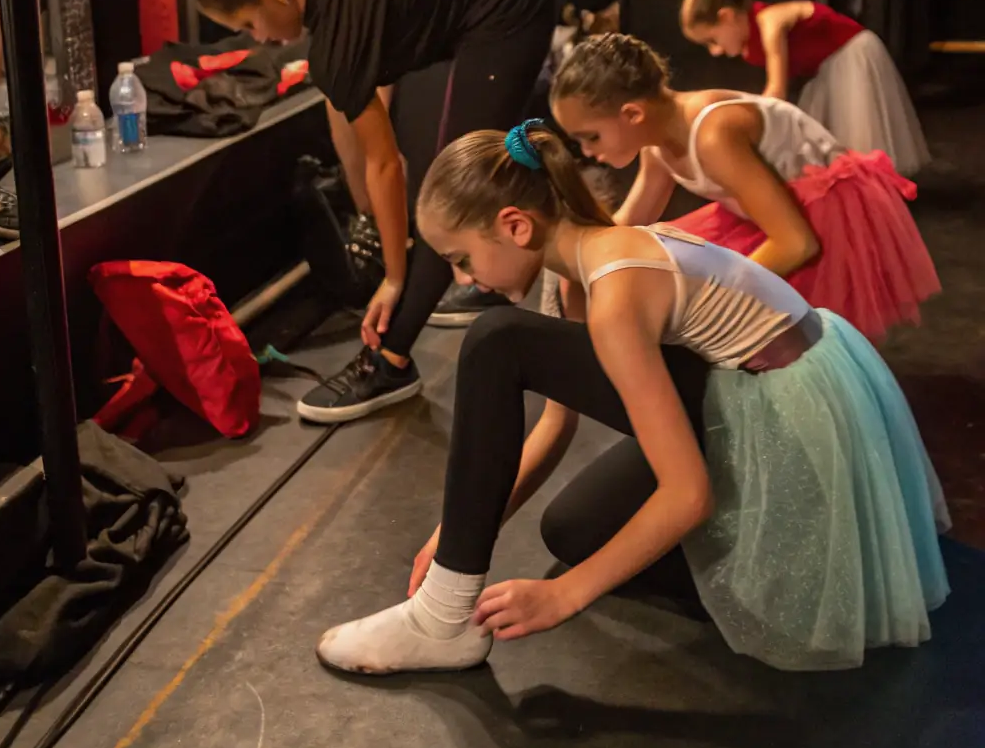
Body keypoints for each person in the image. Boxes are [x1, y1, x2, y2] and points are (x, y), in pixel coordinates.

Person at [316, 121, 949, 677]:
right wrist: (459, 530)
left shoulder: (617, 287)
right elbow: (554, 428)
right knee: (574, 530)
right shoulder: (574, 267)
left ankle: (441, 620)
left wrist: (564, 596)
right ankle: (768, 555)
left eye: (462, 258)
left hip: (786, 422)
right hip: (751, 397)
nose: (463, 277)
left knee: (494, 340)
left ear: (514, 224)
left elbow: (688, 492)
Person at [193, 0, 557, 422]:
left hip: (507, 9)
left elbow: (385, 164)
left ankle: (389, 359)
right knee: (442, 172)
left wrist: (391, 275)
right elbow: (370, 132)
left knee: (447, 190)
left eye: (251, 23)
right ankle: (483, 275)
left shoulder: (338, 27)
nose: (260, 39)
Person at [549, 34, 939, 342]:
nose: (587, 153)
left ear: (632, 114)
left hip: (821, 217)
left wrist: (711, 299)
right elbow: (626, 229)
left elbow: (796, 243)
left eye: (591, 138)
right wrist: (573, 253)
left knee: (721, 311)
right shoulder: (655, 146)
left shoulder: (713, 135)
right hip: (764, 212)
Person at [680, 0, 930, 175]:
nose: (715, 51)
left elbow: (776, 92)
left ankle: (872, 197)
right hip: (829, 66)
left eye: (712, 40)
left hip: (852, 55)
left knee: (859, 142)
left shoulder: (769, 23)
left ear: (727, 17)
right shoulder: (750, 45)